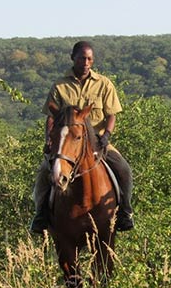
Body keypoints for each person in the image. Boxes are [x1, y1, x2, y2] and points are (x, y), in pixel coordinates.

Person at [30, 41, 134, 233]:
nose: (86, 62)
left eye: (89, 59)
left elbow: (111, 114)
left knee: (124, 169)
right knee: (44, 174)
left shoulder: (104, 84)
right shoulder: (60, 86)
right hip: (68, 143)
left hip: (97, 141)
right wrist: (49, 140)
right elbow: (51, 117)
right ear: (73, 58)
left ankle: (125, 212)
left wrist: (107, 135)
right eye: (82, 58)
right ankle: (40, 214)